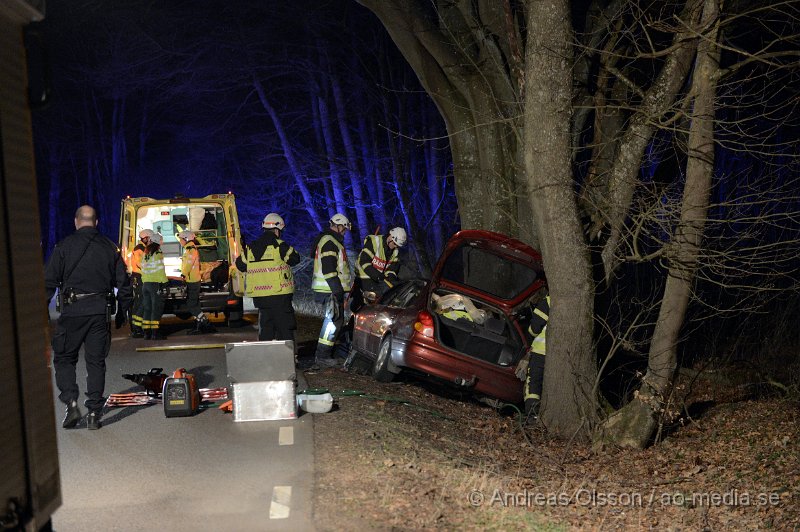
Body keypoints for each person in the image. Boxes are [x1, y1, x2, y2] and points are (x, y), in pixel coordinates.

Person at [44, 205, 132, 430]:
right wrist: (124, 310)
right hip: (99, 313)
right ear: (97, 222)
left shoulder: (63, 247)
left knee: (63, 358)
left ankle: (71, 402)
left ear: (76, 222)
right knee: (95, 362)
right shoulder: (109, 248)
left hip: (72, 313)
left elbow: (48, 283)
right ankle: (94, 412)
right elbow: (123, 283)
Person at [235, 213, 300, 342]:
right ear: (277, 230)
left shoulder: (251, 248)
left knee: (266, 327)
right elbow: (295, 259)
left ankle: (266, 356)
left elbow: (240, 265)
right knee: (284, 327)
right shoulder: (280, 246)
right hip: (280, 295)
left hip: (260, 298)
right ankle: (288, 357)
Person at [311, 213, 352, 367]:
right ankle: (322, 357)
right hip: (330, 290)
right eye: (344, 229)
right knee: (333, 323)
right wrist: (337, 291)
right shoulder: (330, 241)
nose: (345, 233)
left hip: (329, 289)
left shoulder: (330, 240)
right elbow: (329, 269)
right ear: (339, 226)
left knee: (334, 321)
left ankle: (323, 355)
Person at [351, 226, 406, 312]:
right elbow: (364, 262)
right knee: (368, 300)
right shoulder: (374, 242)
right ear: (390, 237)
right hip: (364, 276)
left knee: (387, 295)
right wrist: (378, 276)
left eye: (397, 246)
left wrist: (390, 279)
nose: (395, 247)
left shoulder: (395, 252)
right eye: (395, 244)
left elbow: (392, 269)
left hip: (378, 278)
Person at [178, 230, 216, 335]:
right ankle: (200, 324)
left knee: (191, 305)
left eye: (181, 239)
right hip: (193, 280)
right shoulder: (189, 248)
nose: (180, 241)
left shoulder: (190, 250)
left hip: (193, 281)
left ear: (186, 239)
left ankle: (204, 322)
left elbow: (189, 264)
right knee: (195, 304)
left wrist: (183, 275)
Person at [520, 289, 549, 417]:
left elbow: (534, 329)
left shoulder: (548, 302)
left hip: (540, 353)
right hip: (564, 357)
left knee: (533, 384)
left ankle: (532, 416)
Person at [141, 232, 168, 340]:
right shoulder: (157, 254)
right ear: (158, 243)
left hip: (145, 284)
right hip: (155, 284)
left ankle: (146, 333)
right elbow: (160, 270)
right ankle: (155, 333)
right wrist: (165, 282)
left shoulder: (145, 253)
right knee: (155, 309)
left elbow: (143, 269)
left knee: (147, 309)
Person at [129, 229, 153, 338]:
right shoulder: (139, 249)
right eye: (150, 238)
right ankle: (136, 328)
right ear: (145, 238)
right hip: (138, 278)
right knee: (139, 302)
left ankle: (138, 327)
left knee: (141, 301)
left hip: (141, 277)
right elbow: (141, 263)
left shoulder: (144, 248)